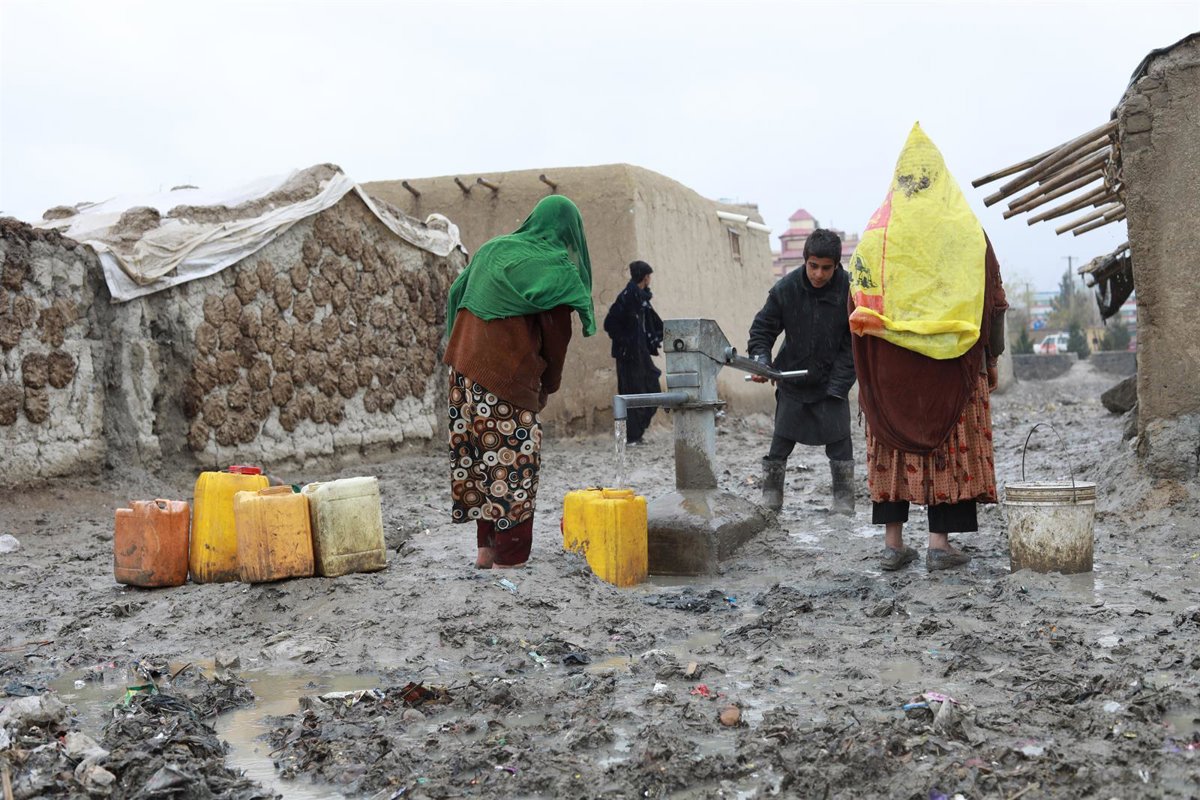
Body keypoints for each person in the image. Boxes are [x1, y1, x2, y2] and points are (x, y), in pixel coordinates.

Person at [442, 195, 595, 569]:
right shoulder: (554, 269)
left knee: (480, 460)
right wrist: (547, 386)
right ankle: (508, 561)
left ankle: (486, 551)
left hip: (461, 373)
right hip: (503, 377)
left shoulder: (494, 250)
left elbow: (456, 293)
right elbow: (556, 338)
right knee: (513, 467)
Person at [852, 238, 1008, 571]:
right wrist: (992, 357)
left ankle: (892, 545)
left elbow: (857, 296)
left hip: (890, 363)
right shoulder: (966, 231)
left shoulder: (880, 232)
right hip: (953, 359)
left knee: (892, 445)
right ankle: (939, 544)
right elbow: (994, 299)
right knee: (949, 441)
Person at [747, 229, 857, 515]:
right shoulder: (786, 289)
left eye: (826, 268)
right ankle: (771, 501)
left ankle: (844, 503)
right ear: (805, 260)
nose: (818, 274)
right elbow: (762, 330)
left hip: (832, 382)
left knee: (840, 445)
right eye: (813, 266)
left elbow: (854, 344)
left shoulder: (850, 291)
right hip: (792, 379)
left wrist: (838, 384)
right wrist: (761, 361)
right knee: (780, 444)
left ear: (837, 265)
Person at [603, 260, 664, 445]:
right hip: (629, 356)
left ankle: (637, 432)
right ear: (645, 277)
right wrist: (626, 342)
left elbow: (651, 323)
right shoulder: (628, 296)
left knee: (652, 389)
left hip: (641, 354)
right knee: (632, 394)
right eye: (649, 276)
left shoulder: (641, 299)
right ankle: (631, 436)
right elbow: (610, 323)